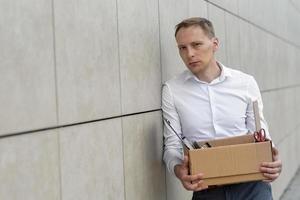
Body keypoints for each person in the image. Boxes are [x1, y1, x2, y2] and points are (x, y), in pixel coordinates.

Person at [162, 17, 282, 200]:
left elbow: (261, 134)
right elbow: (171, 146)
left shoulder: (245, 83)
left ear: (215, 43)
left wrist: (273, 160)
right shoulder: (172, 90)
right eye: (182, 48)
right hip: (206, 188)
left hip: (252, 187)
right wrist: (180, 171)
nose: (190, 54)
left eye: (196, 44)